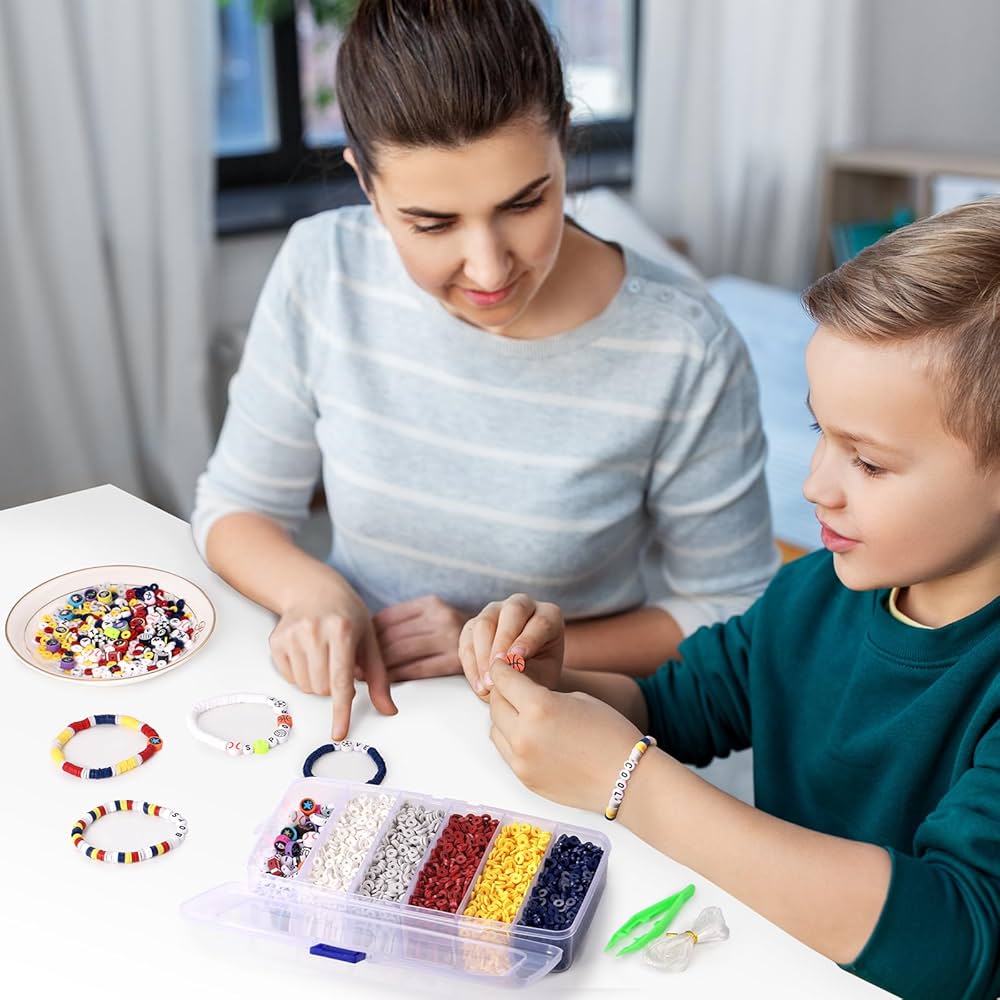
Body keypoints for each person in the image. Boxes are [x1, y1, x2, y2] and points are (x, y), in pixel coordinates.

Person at [192, 0, 777, 740]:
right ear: (366, 185)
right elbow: (234, 505)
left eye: (527, 202)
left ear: (564, 139)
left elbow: (732, 608)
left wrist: (500, 650)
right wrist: (315, 593)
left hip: (562, 734)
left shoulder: (684, 345)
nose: (489, 268)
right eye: (432, 223)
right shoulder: (323, 268)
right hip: (358, 723)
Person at [459, 199, 1000, 1000]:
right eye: (820, 432)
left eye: (870, 464)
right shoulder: (815, 591)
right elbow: (673, 704)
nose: (817, 486)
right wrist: (557, 680)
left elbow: (954, 942)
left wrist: (624, 781)